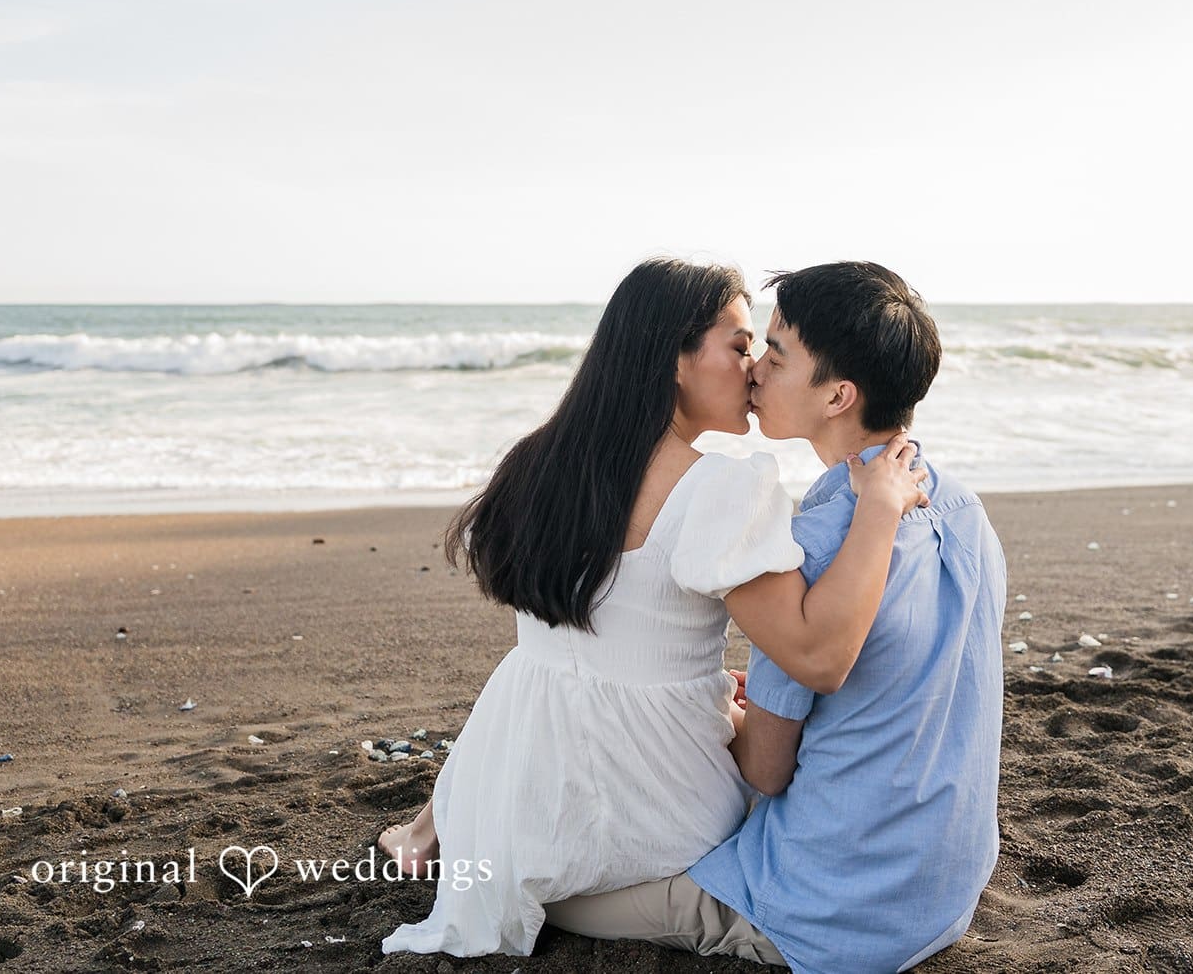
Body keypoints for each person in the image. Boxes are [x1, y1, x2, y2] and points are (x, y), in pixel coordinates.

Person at [378, 258, 929, 958]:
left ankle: (436, 825)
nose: (755, 365)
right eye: (737, 345)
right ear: (674, 359)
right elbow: (819, 656)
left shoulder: (542, 460)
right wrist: (878, 510)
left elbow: (617, 630)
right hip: (644, 809)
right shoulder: (720, 488)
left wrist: (696, 691)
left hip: (518, 783)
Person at [543, 262, 1008, 973]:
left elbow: (765, 770)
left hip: (834, 907)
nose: (755, 368)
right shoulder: (966, 510)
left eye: (779, 353)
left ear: (838, 395)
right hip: (944, 888)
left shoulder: (813, 549)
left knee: (550, 894)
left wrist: (717, 717)